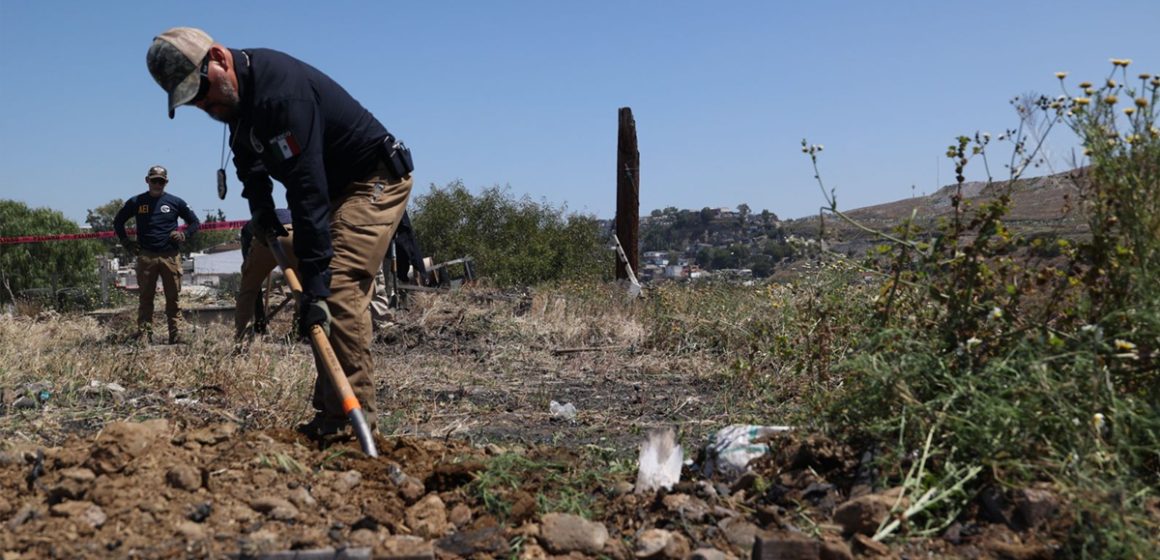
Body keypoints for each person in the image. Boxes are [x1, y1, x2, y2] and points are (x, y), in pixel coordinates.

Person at [147, 27, 414, 436]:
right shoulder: (238, 105)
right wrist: (262, 211)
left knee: (335, 289)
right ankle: (332, 416)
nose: (205, 104)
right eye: (192, 102)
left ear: (218, 58)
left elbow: (308, 191)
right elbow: (248, 162)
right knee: (321, 289)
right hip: (332, 187)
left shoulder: (281, 95)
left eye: (202, 90)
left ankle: (353, 423)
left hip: (371, 180)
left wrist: (318, 288)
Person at [113, 165, 200, 344]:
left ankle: (175, 334)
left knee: (173, 299)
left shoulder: (176, 202)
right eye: (154, 180)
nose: (157, 184)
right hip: (146, 256)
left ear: (166, 182)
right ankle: (145, 334)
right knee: (146, 298)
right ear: (147, 181)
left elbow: (195, 222)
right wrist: (126, 242)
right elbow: (118, 221)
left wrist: (184, 234)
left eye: (161, 181)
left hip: (170, 256)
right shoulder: (136, 202)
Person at [235, 208, 296, 340]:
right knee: (304, 288)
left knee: (249, 288)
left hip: (268, 236)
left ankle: (241, 336)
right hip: (294, 235)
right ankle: (300, 331)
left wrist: (259, 320)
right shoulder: (293, 213)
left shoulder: (247, 229)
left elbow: (253, 284)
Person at [370, 210, 428, 330]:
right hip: (374, 242)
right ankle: (380, 320)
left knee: (382, 283)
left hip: (383, 243)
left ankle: (382, 319)